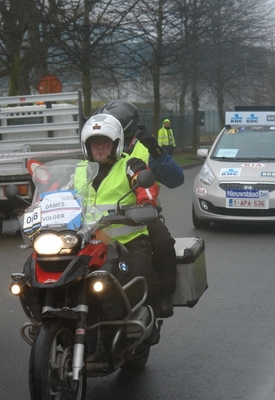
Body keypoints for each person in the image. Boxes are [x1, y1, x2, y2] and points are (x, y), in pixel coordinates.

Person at [97, 100, 183, 318]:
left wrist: (156, 151)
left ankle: (163, 296)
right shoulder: (98, 147)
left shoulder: (143, 149)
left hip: (141, 216)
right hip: (99, 221)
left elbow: (176, 179)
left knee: (162, 241)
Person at [80, 114, 163, 342]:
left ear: (116, 144)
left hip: (129, 239)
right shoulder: (79, 170)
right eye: (94, 143)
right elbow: (60, 195)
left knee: (143, 274)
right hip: (89, 241)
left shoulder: (130, 164)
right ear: (86, 146)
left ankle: (151, 320)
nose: (99, 147)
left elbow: (144, 185)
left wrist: (145, 204)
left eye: (104, 142)